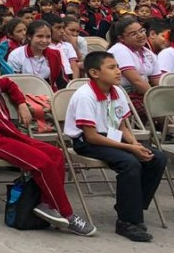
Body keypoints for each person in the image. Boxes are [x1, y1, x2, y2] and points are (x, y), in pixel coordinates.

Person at [0, 52, 95, 236]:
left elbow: (9, 84)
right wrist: (25, 140)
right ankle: (66, 213)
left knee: (56, 154)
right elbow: (1, 123)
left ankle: (48, 204)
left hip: (5, 134)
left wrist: (21, 103)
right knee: (42, 163)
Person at [65, 51, 168, 242]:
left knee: (157, 158)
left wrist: (136, 144)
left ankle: (132, 207)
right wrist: (130, 149)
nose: (118, 72)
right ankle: (127, 221)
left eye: (118, 66)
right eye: (112, 68)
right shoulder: (85, 96)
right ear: (95, 73)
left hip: (112, 136)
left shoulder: (117, 91)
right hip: (88, 142)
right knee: (130, 163)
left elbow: (121, 125)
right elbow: (92, 136)